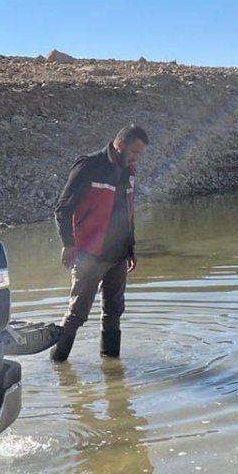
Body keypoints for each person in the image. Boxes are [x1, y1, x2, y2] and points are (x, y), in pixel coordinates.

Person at [50, 124, 149, 362]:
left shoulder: (129, 170)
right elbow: (62, 208)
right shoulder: (89, 166)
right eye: (134, 152)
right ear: (120, 144)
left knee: (114, 312)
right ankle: (57, 362)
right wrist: (68, 244)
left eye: (140, 154)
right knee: (77, 314)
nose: (136, 158)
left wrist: (131, 247)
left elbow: (127, 211)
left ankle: (112, 367)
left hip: (118, 255)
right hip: (89, 254)